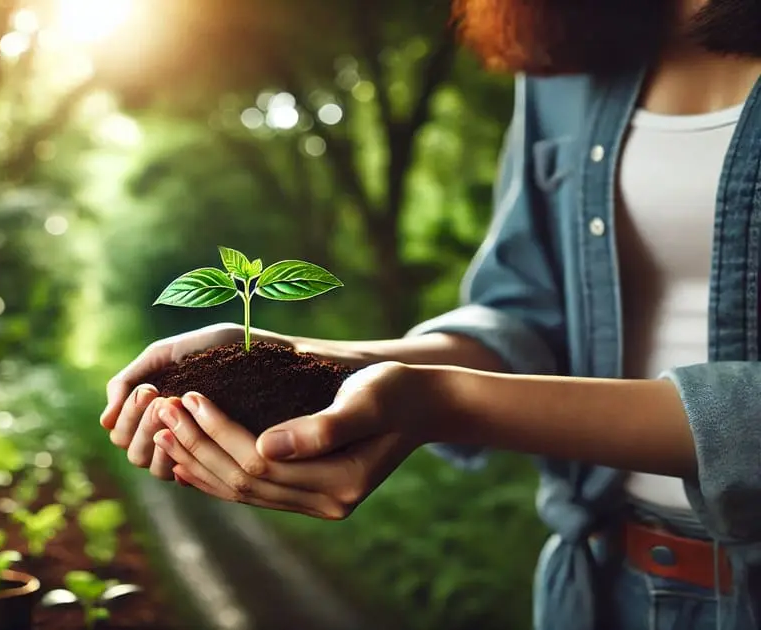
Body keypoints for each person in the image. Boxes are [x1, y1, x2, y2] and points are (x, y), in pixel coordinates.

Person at [99, 1, 761, 629]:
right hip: (601, 586)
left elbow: (455, 395)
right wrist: (330, 364)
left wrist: (447, 402)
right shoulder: (574, 36)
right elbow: (527, 317)